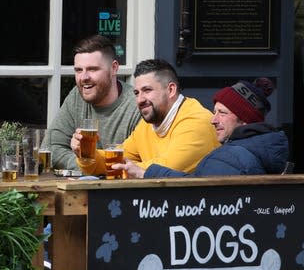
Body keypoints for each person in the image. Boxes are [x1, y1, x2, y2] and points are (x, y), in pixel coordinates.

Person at [74, 58, 220, 176]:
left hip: (198, 208)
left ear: (170, 90)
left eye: (147, 90)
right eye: (137, 93)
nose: (140, 100)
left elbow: (166, 169)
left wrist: (120, 166)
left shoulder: (196, 122)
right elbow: (117, 157)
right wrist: (87, 154)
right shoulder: (149, 124)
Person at [127, 78, 289, 178]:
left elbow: (197, 194)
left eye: (222, 113)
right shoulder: (256, 148)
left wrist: (145, 173)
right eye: (214, 112)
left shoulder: (231, 157)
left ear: (245, 120)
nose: (213, 120)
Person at [47, 34, 140, 170]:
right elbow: (51, 147)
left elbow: (138, 162)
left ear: (114, 68)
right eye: (79, 70)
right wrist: (83, 165)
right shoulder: (76, 96)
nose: (84, 77)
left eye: (92, 69)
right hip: (80, 189)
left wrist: (89, 165)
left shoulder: (137, 104)